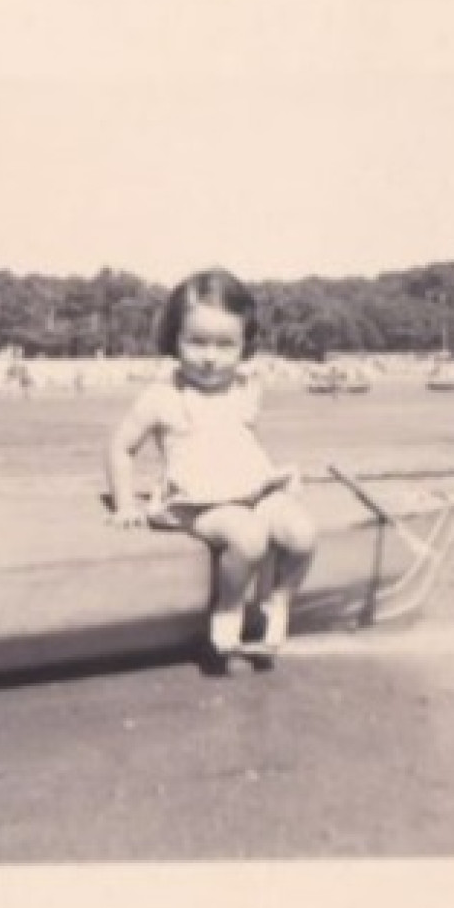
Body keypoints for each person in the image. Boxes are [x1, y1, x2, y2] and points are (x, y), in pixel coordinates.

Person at [105, 269, 318, 672]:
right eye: (196, 341)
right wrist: (125, 504)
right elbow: (120, 447)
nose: (209, 357)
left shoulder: (244, 388)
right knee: (249, 537)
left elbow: (239, 438)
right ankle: (229, 608)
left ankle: (280, 600)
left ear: (244, 346)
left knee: (303, 532)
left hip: (255, 490)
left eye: (225, 345)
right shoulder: (162, 396)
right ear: (174, 339)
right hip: (199, 501)